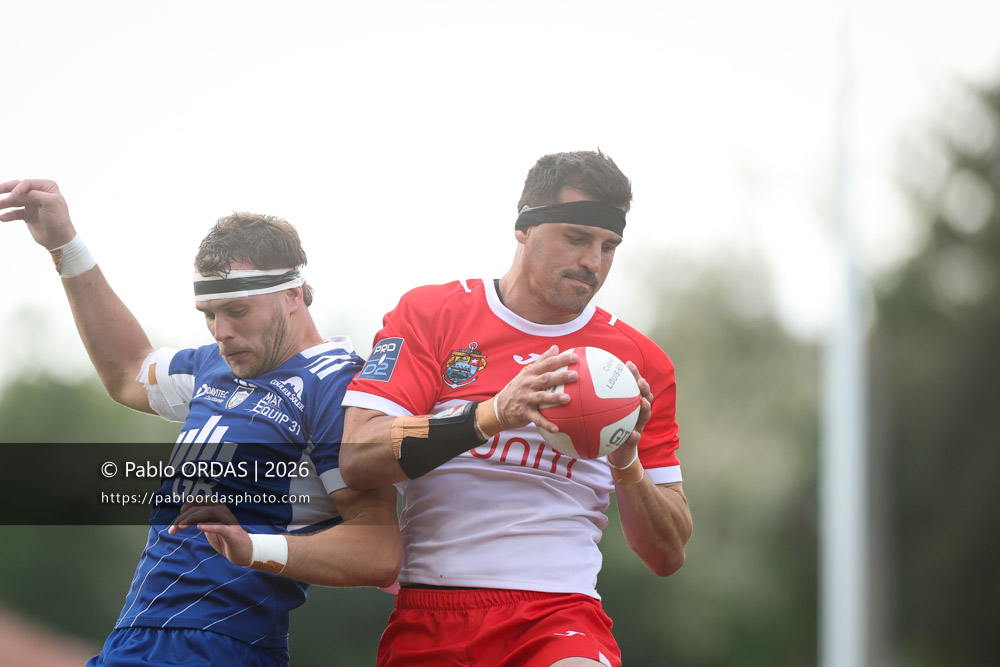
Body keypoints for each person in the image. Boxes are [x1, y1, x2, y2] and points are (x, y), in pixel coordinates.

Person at [0, 179, 401, 667]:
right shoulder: (217, 364)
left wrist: (253, 547)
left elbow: (379, 546)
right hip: (134, 635)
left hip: (220, 644)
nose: (222, 332)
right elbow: (128, 370)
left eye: (236, 311)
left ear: (293, 294)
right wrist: (65, 245)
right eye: (208, 315)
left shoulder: (337, 387)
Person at [338, 150, 694, 667]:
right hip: (430, 610)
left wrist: (625, 458)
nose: (593, 263)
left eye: (609, 246)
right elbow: (358, 454)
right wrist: (493, 414)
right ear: (524, 226)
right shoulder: (433, 314)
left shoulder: (638, 363)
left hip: (559, 616)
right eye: (577, 238)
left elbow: (667, 554)